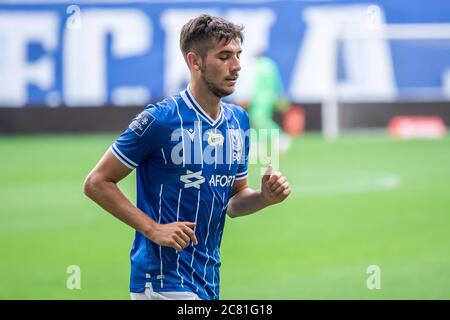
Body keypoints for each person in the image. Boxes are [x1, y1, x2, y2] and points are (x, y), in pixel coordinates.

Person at [83, 14, 291, 300]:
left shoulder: (238, 121)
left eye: (238, 55)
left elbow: (233, 201)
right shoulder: (160, 120)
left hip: (206, 279)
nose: (237, 66)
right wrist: (153, 229)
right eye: (224, 56)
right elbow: (97, 181)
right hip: (161, 280)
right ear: (195, 62)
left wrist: (264, 197)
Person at [248, 53, 292, 154]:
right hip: (268, 97)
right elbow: (278, 81)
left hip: (259, 98)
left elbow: (250, 83)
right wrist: (279, 94)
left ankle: (280, 137)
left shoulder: (255, 66)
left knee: (259, 119)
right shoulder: (270, 64)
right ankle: (256, 145)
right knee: (257, 120)